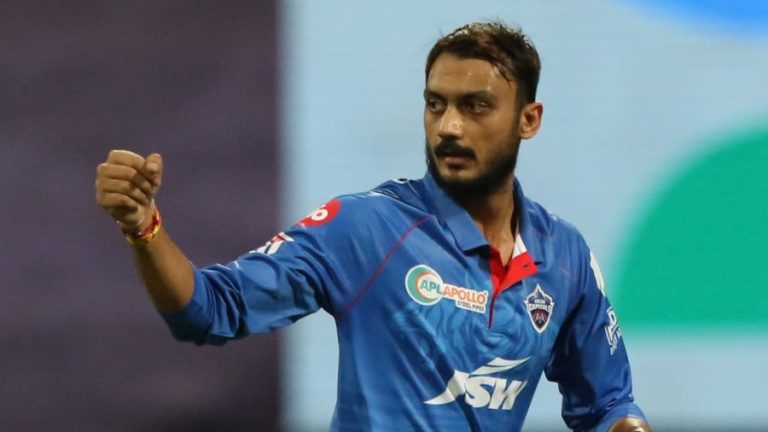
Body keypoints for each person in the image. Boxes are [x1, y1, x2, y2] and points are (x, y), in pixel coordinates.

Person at [95, 21, 650, 432]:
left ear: (528, 119)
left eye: (475, 106)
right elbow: (209, 310)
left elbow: (606, 405)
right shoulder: (366, 228)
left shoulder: (563, 256)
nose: (449, 127)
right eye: (436, 104)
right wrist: (145, 228)